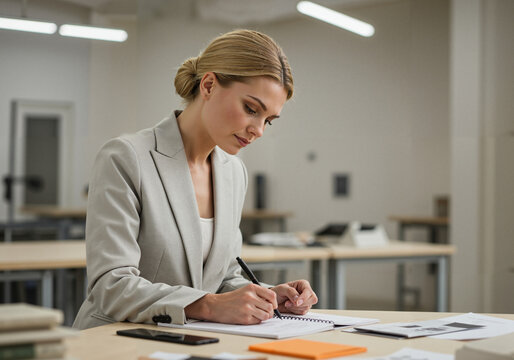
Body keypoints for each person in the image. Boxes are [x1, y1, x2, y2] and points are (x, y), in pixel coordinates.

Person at [73, 29, 318, 330]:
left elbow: (223, 276)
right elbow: (110, 285)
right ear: (209, 85)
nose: (258, 130)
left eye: (267, 119)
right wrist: (210, 305)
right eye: (250, 109)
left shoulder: (233, 172)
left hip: (190, 340)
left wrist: (264, 297)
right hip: (115, 340)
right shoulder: (126, 157)